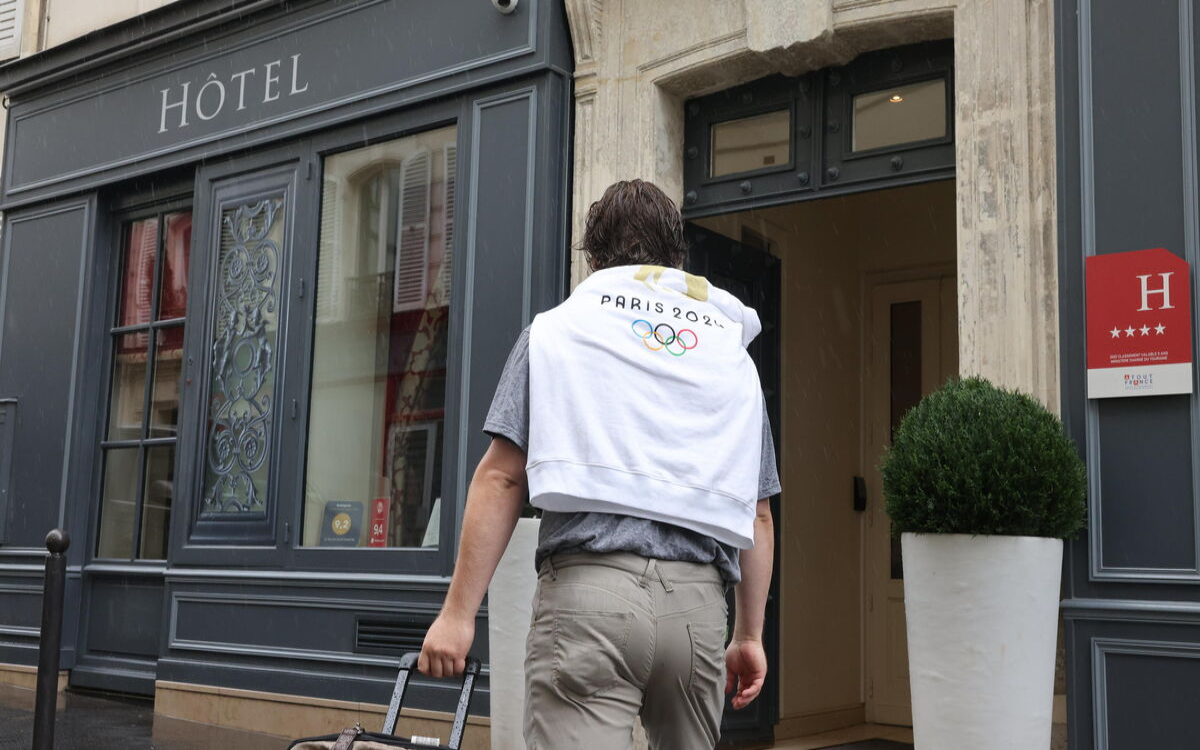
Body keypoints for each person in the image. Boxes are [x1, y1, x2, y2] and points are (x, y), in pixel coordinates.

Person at [418, 179, 780, 749]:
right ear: (677, 258)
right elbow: (757, 513)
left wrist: (458, 616)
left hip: (589, 600)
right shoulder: (729, 355)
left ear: (593, 258)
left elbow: (503, 477)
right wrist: (750, 634)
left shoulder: (557, 331)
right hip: (696, 612)